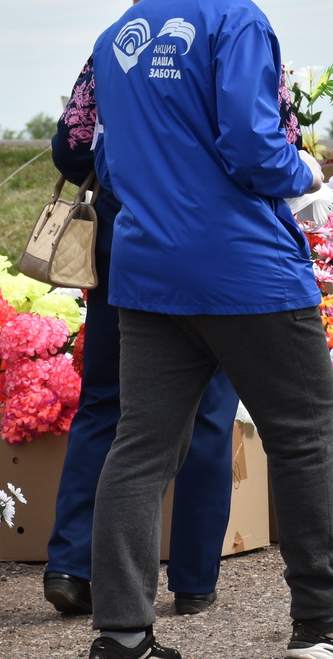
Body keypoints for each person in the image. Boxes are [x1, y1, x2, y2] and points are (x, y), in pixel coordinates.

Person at [81, 0, 333, 659]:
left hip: (148, 269)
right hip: (245, 267)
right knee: (303, 428)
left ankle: (120, 639)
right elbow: (256, 148)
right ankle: (322, 618)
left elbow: (105, 157)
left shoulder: (122, 28)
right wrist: (307, 170)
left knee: (139, 448)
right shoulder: (241, 20)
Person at [40, 47, 241, 621]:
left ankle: (72, 566)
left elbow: (70, 147)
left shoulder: (113, 45)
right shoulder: (236, 34)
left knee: (105, 401)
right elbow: (265, 140)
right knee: (207, 405)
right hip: (210, 242)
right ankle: (195, 577)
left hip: (122, 240)